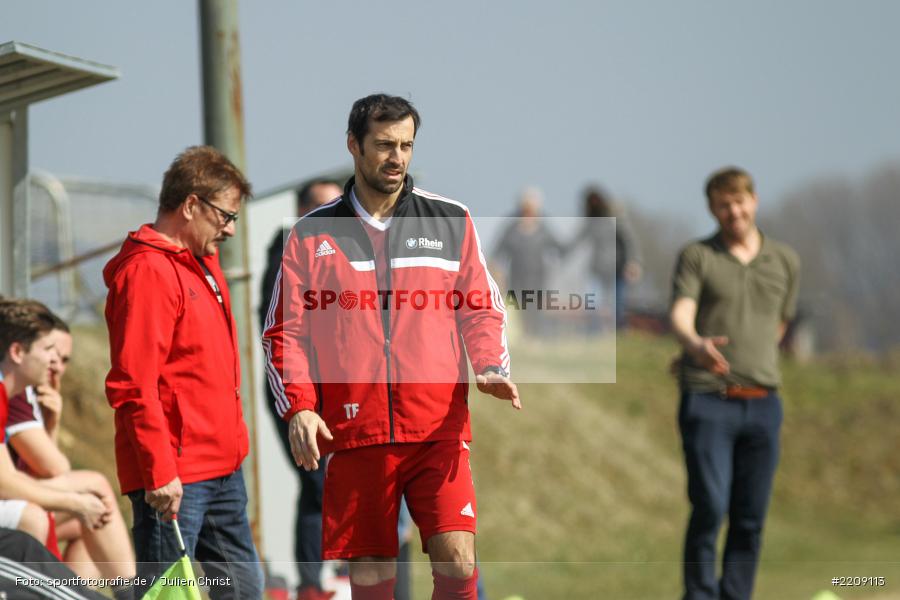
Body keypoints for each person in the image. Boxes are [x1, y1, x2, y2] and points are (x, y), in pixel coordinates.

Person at [263, 94, 519, 600]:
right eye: (383, 145)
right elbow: (285, 333)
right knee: (372, 574)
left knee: (457, 555)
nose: (396, 157)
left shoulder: (450, 220)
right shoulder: (311, 235)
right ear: (354, 146)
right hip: (356, 431)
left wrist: (489, 364)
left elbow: (481, 307)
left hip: (437, 428)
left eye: (405, 145)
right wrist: (300, 407)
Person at [103, 145, 263, 599]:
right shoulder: (149, 271)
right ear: (191, 205)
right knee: (166, 594)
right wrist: (158, 470)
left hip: (223, 471)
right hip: (173, 478)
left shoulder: (201, 263)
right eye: (225, 216)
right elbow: (133, 384)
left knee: (244, 591)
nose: (230, 230)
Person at [670, 167, 800, 600]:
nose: (733, 211)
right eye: (723, 204)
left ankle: (736, 595)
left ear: (754, 201)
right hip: (709, 401)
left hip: (764, 403)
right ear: (712, 209)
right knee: (710, 506)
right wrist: (693, 344)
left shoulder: (785, 260)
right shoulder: (698, 255)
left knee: (750, 516)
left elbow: (780, 323)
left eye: (739, 201)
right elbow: (681, 313)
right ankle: (700, 595)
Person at [0, 297, 131, 599]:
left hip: (18, 503)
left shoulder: (15, 393)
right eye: (49, 352)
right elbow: (35, 472)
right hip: (16, 511)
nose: (55, 364)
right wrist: (75, 502)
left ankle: (116, 591)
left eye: (64, 358)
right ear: (17, 352)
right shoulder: (12, 394)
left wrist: (53, 419)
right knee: (85, 493)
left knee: (85, 515)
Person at [259, 178, 342, 600]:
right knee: (318, 481)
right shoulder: (290, 248)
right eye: (324, 206)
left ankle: (328, 575)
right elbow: (279, 329)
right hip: (299, 389)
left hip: (335, 390)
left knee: (336, 482)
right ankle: (312, 584)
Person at [492, 187, 563, 338]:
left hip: (538, 277)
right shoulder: (511, 228)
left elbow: (560, 248)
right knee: (519, 310)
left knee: (536, 310)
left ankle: (535, 338)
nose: (529, 210)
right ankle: (524, 338)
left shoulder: (544, 228)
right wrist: (497, 273)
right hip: (517, 277)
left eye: (532, 206)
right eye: (526, 206)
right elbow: (498, 251)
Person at [569, 186, 642, 332]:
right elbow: (577, 240)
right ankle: (594, 330)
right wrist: (562, 251)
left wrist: (633, 262)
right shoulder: (590, 222)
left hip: (617, 267)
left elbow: (629, 241)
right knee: (593, 301)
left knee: (617, 303)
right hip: (597, 268)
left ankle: (619, 330)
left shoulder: (616, 219)